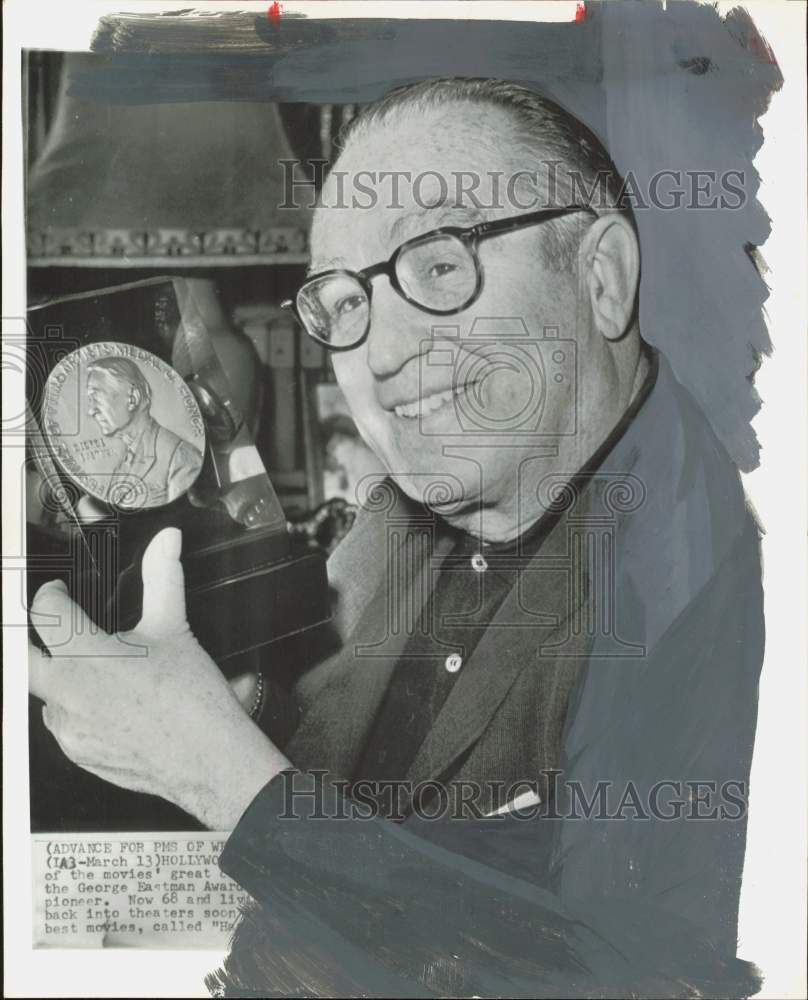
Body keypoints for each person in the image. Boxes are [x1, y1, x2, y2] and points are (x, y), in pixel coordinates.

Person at [29, 79, 764, 997]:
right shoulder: (405, 513)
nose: (378, 354)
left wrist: (224, 776)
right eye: (342, 303)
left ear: (602, 278)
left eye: (441, 265)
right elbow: (324, 737)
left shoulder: (713, 571)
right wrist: (231, 708)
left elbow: (637, 978)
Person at [85, 356, 202, 507]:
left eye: (97, 397)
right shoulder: (125, 462)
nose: (91, 410)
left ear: (132, 398)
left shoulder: (180, 457)